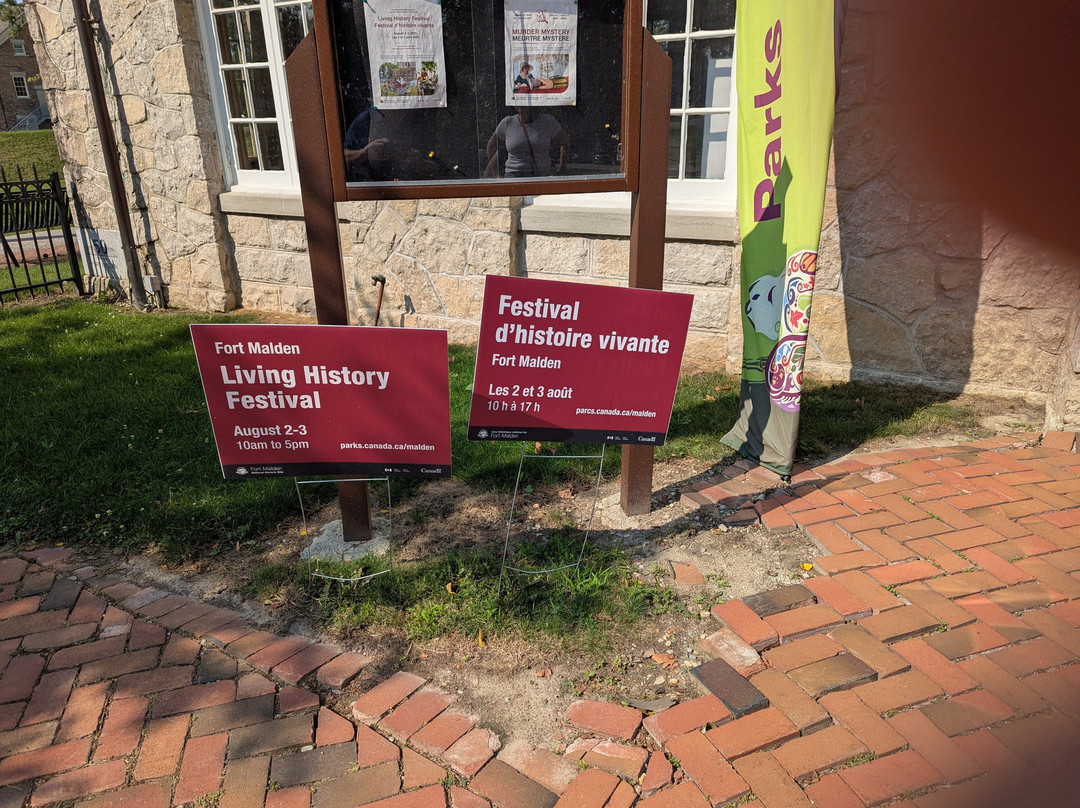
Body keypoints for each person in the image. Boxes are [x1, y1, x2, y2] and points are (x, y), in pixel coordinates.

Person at [485, 106, 568, 178]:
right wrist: (496, 174)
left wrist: (562, 166)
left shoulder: (547, 121)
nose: (524, 110)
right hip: (513, 176)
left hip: (541, 175)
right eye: (520, 107)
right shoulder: (508, 122)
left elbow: (565, 141)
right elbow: (491, 146)